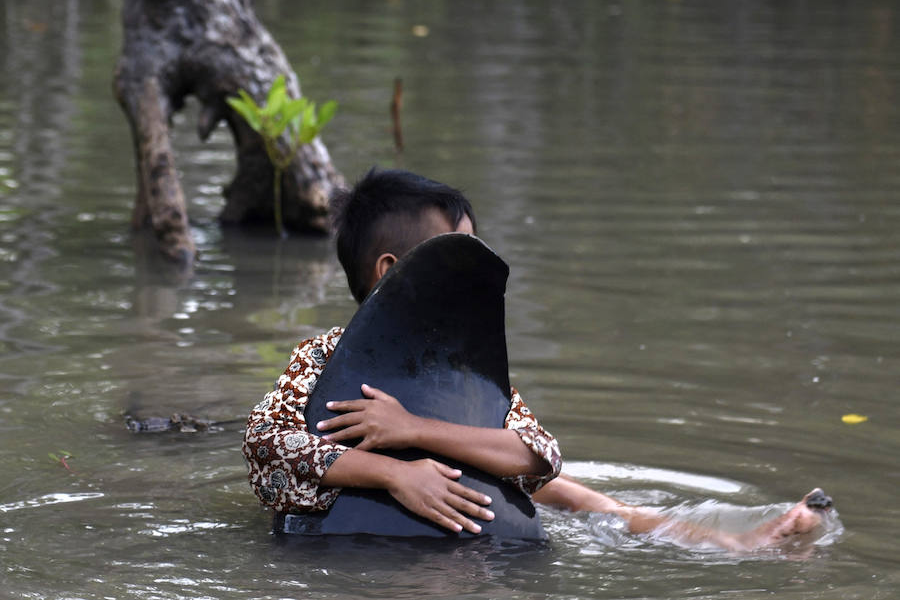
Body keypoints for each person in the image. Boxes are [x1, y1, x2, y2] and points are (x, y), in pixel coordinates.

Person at [243, 168, 833, 550]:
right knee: (571, 496)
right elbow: (266, 450)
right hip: (356, 546)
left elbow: (539, 455)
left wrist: (413, 429)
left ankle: (738, 544)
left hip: (472, 548)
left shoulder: (467, 372)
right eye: (456, 259)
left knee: (576, 496)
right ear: (392, 272)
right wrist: (398, 473)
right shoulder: (322, 357)